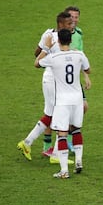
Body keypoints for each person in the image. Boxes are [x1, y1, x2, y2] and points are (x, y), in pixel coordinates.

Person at [17, 12, 74, 161]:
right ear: (61, 24)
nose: (72, 25)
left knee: (51, 115)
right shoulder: (55, 38)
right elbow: (38, 57)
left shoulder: (49, 34)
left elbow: (37, 53)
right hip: (53, 81)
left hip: (53, 80)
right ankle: (54, 154)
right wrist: (47, 50)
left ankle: (27, 143)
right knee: (61, 114)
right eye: (69, 23)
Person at [34, 29, 91, 178]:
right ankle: (79, 161)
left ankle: (64, 170)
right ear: (71, 40)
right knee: (77, 130)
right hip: (78, 100)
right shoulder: (79, 54)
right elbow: (88, 69)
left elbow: (37, 63)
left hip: (62, 102)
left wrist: (46, 48)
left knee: (62, 134)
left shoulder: (54, 57)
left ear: (58, 41)